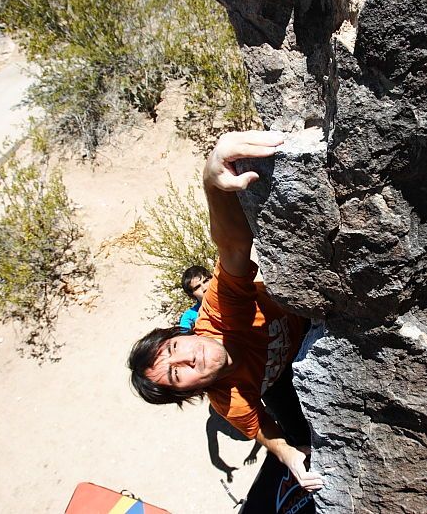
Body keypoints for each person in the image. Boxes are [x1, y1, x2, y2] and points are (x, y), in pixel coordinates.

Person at [128, 131, 324, 492]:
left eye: (173, 349)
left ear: (182, 335)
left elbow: (233, 248)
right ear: (189, 393)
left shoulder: (220, 315)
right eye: (174, 376)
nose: (185, 361)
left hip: (308, 322)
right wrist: (287, 453)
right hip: (276, 384)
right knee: (301, 440)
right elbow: (262, 430)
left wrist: (213, 181)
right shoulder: (228, 401)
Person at [178, 265, 212, 332]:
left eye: (206, 281)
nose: (205, 288)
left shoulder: (230, 296)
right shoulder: (189, 316)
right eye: (197, 287)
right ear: (191, 295)